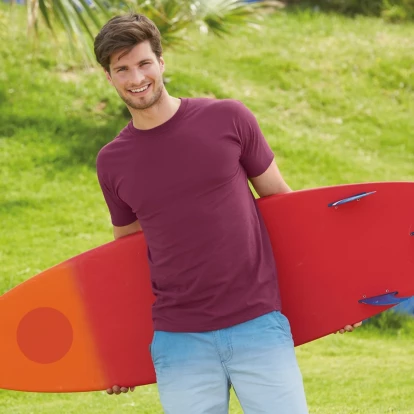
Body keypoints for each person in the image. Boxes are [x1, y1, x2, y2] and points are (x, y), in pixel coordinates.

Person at [93, 13, 361, 414]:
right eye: (122, 69)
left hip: (257, 324)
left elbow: (285, 207)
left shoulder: (228, 118)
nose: (136, 78)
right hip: (179, 339)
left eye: (144, 63)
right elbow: (128, 258)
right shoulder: (112, 162)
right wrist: (122, 357)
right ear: (108, 77)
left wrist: (336, 296)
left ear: (161, 62)